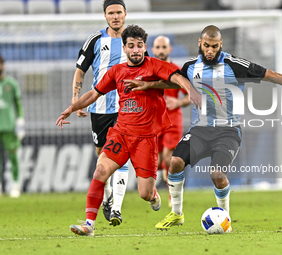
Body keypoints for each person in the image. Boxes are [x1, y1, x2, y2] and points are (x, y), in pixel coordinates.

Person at [145, 25, 282, 231]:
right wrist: (147, 85)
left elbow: (271, 75)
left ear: (220, 45)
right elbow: (173, 83)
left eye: (214, 46)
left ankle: (226, 220)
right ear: (200, 43)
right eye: (206, 45)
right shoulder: (190, 67)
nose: (210, 50)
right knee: (175, 162)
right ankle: (176, 214)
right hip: (200, 131)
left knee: (217, 175)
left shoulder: (234, 65)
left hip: (228, 132)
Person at [56, 25, 194, 236]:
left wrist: (189, 90)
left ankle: (153, 195)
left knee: (144, 193)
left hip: (145, 139)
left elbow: (176, 79)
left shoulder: (154, 66)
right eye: (131, 46)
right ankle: (89, 225)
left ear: (144, 47)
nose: (136, 50)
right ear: (125, 48)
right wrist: (72, 107)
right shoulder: (117, 71)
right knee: (100, 170)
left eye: (139, 46)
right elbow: (94, 93)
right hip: (120, 134)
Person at [72, 0, 130, 226]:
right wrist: (76, 100)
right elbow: (80, 70)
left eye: (119, 12)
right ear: (105, 15)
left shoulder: (133, 40)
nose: (115, 17)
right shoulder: (95, 40)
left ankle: (116, 208)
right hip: (99, 109)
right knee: (102, 158)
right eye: (111, 13)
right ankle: (107, 198)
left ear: (125, 13)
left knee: (121, 156)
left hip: (126, 108)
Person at [152, 36, 190, 206]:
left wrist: (179, 102)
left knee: (169, 157)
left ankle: (172, 196)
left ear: (169, 50)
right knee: (157, 160)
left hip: (173, 118)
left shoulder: (177, 71)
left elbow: (193, 94)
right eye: (158, 47)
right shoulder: (149, 71)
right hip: (153, 119)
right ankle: (169, 182)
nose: (161, 50)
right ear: (153, 50)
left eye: (163, 47)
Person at [0, 55, 25, 198]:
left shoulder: (11, 83)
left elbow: (18, 104)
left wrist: (20, 121)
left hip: (8, 126)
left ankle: (15, 185)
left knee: (13, 156)